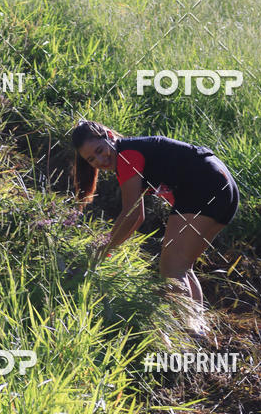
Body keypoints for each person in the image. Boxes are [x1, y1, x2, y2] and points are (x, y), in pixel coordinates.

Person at [72, 120, 239, 312]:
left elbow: (131, 214)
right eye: (91, 159)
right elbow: (137, 216)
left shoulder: (126, 155)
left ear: (110, 136)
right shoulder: (131, 155)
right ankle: (197, 327)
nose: (100, 160)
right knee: (182, 267)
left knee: (171, 269)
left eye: (100, 150)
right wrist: (108, 247)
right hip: (224, 187)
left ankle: (187, 328)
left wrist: (101, 251)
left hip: (206, 184)